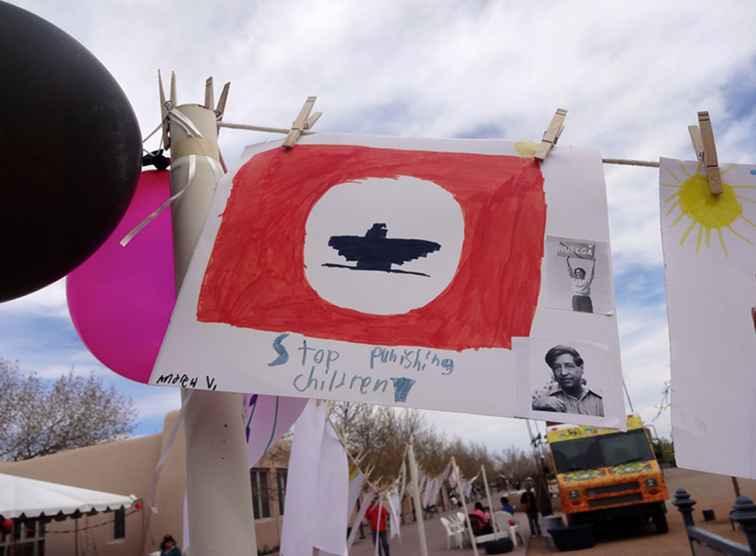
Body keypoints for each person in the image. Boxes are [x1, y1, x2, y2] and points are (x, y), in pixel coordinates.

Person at [532, 345, 604, 417]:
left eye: (569, 366)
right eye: (557, 367)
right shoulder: (545, 399)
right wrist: (535, 405)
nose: (563, 372)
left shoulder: (600, 399)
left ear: (581, 368)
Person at [564, 247, 595, 313]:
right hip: (576, 298)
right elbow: (569, 271)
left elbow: (592, 274)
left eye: (580, 272)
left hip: (586, 299)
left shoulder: (587, 281)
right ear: (575, 274)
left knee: (589, 314)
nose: (578, 273)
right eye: (577, 272)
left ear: (583, 273)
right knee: (577, 314)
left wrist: (593, 263)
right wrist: (567, 260)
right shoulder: (573, 280)